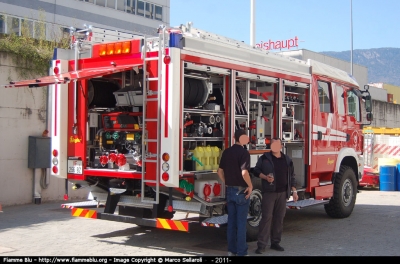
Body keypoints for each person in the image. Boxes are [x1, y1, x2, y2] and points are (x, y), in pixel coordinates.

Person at [253, 137, 298, 253]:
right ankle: (261, 245)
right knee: (266, 218)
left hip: (283, 194)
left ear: (281, 146)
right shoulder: (264, 158)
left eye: (277, 144)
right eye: (272, 144)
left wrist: (294, 191)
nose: (275, 147)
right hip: (269, 193)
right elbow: (256, 171)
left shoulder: (287, 159)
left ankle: (275, 242)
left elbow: (292, 176)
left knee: (279, 218)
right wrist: (265, 177)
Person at [217, 129, 253, 256]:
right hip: (241, 191)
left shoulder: (227, 152)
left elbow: (219, 172)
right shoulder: (244, 153)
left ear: (234, 137)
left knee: (231, 222)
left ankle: (231, 251)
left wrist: (226, 182)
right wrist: (250, 185)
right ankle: (242, 252)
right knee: (241, 223)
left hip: (230, 190)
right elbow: (244, 172)